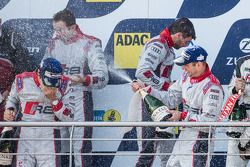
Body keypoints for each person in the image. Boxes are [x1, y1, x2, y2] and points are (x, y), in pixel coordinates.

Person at [132, 45, 224, 167]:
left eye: (186, 65)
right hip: (184, 136)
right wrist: (148, 90)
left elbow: (209, 122)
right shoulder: (186, 77)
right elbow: (170, 99)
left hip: (200, 140)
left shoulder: (213, 88)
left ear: (199, 64)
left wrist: (181, 115)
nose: (183, 69)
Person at [43, 9, 109, 167]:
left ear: (73, 28)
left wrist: (84, 79)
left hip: (80, 101)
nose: (57, 34)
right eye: (55, 30)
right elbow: (42, 72)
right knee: (55, 149)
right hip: (56, 100)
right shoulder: (53, 45)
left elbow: (103, 77)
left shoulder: (90, 43)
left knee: (80, 149)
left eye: (60, 30)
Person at [132, 17, 196, 167]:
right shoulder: (159, 44)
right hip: (149, 102)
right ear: (179, 34)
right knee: (147, 152)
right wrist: (166, 86)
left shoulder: (166, 46)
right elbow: (142, 72)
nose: (186, 44)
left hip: (161, 102)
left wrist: (168, 86)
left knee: (168, 152)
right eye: (186, 41)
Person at [3, 57, 74, 167]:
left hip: (50, 135)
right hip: (24, 133)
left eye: (56, 81)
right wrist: (10, 110)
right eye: (49, 80)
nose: (52, 84)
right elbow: (12, 100)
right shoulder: (22, 80)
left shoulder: (66, 84)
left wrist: (54, 100)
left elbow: (70, 117)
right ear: (39, 73)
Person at [0, 18, 32, 132]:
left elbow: (23, 73)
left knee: (6, 136)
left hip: (7, 98)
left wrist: (8, 91)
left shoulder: (12, 40)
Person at [226, 55, 250, 167]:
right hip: (241, 120)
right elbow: (230, 92)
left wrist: (244, 144)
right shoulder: (243, 62)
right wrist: (236, 89)